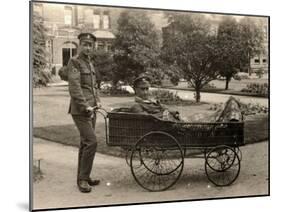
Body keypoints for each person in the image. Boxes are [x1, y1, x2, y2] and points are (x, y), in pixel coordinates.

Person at [67, 32, 101, 193]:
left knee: (85, 143)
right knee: (92, 141)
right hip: (81, 110)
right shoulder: (74, 62)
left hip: (91, 109)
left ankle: (84, 177)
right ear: (79, 45)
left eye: (90, 45)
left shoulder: (90, 63)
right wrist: (85, 105)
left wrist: (97, 101)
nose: (87, 47)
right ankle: (82, 180)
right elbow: (74, 87)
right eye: (85, 44)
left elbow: (93, 87)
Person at [130, 74, 243, 123]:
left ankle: (228, 109)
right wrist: (168, 115)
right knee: (207, 120)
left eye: (147, 88)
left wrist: (173, 112)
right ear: (135, 90)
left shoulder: (150, 100)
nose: (145, 92)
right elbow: (150, 120)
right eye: (142, 89)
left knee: (206, 117)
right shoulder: (137, 106)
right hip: (172, 125)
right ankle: (228, 112)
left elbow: (163, 108)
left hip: (176, 120)